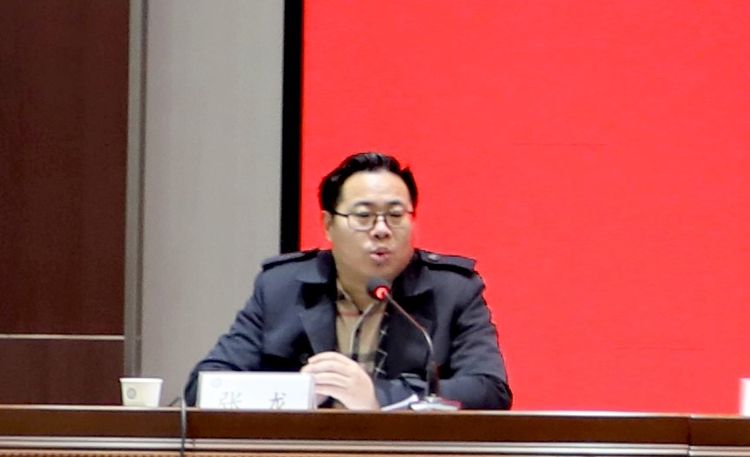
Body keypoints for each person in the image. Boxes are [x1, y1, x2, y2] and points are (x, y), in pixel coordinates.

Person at [184, 152, 512, 409]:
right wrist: (296, 393)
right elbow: (204, 385)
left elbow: (488, 390)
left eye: (396, 215)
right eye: (363, 216)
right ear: (328, 225)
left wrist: (377, 396)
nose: (381, 229)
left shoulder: (452, 290)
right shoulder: (281, 288)